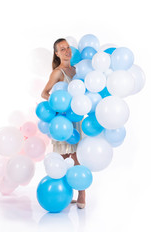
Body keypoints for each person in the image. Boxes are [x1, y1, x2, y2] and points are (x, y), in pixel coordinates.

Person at [41, 38, 86, 209]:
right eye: (62, 49)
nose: (67, 51)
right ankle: (67, 194)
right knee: (63, 158)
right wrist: (59, 106)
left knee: (76, 156)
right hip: (63, 121)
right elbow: (44, 93)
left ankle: (79, 195)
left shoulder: (76, 70)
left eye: (68, 47)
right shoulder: (58, 72)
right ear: (57, 53)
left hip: (76, 120)